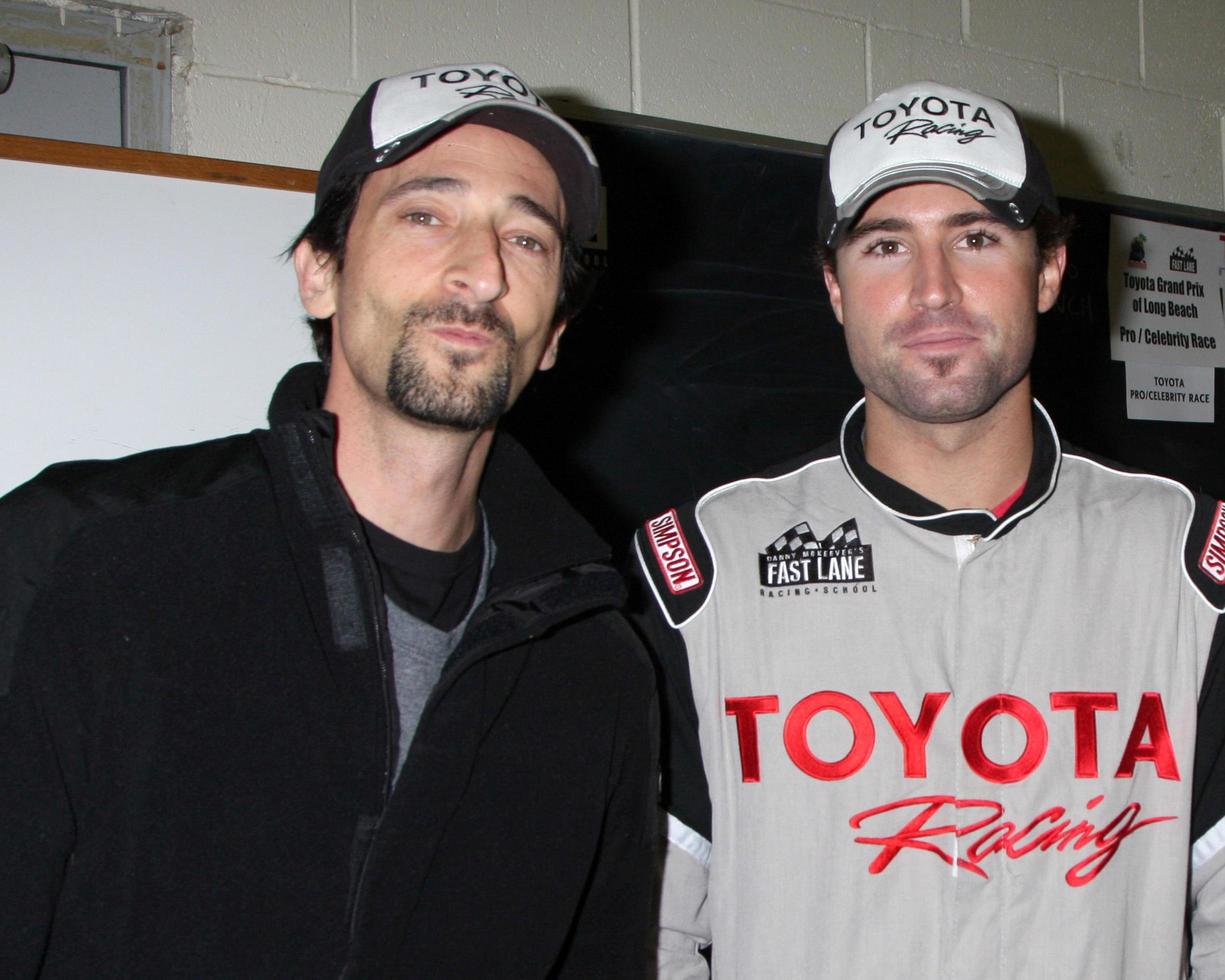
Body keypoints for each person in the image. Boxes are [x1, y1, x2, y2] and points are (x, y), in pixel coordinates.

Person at [0, 62, 657, 978]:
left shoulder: (596, 662)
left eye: (528, 238)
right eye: (426, 214)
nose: (480, 270)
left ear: (551, 338)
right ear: (320, 274)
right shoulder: (83, 551)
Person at [632, 80, 1225, 977]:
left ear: (1051, 270)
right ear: (834, 288)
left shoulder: (1187, 565)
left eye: (976, 239)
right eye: (884, 246)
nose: (933, 290)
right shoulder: (704, 572)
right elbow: (645, 931)